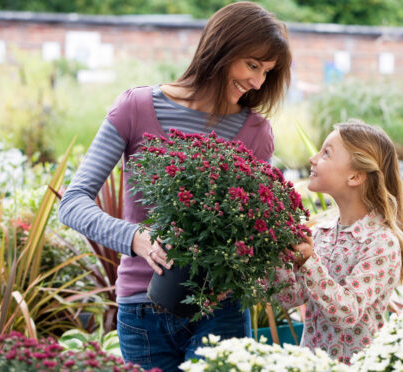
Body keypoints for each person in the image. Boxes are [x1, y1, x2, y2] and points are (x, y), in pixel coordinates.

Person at [58, 2, 292, 371]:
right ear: (221, 49)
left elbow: (251, 227)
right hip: (142, 311)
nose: (259, 82)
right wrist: (137, 237)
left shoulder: (256, 133)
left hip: (222, 310)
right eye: (252, 65)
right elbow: (72, 203)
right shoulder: (134, 107)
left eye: (266, 72)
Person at [275, 119, 403, 364]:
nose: (313, 158)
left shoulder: (381, 242)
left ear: (355, 176)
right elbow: (291, 298)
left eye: (326, 153)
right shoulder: (323, 232)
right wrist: (275, 255)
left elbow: (346, 312)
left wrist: (309, 261)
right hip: (313, 365)